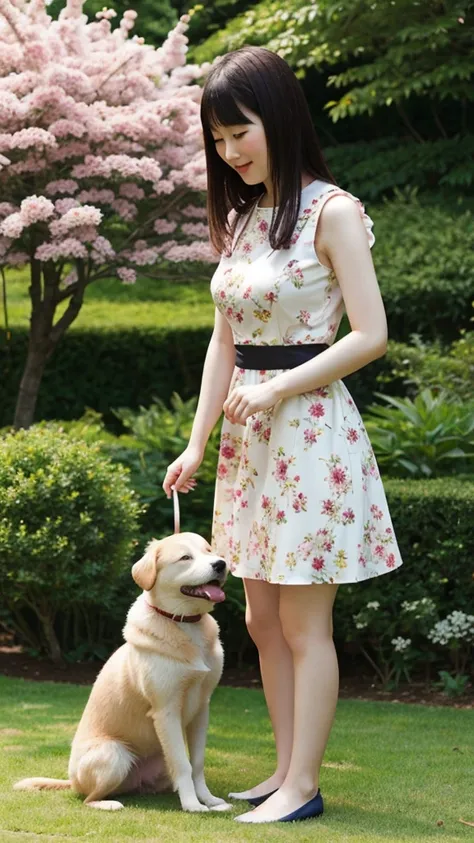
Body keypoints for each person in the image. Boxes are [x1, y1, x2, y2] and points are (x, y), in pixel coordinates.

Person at [163, 46, 403, 825]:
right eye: (219, 140)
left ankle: (305, 785)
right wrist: (198, 441)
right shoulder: (242, 218)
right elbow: (223, 342)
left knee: (304, 625)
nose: (230, 152)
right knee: (262, 621)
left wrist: (278, 389)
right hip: (248, 440)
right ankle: (281, 770)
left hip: (309, 433)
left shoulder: (334, 211)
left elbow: (370, 334)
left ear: (282, 117)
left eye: (241, 132)